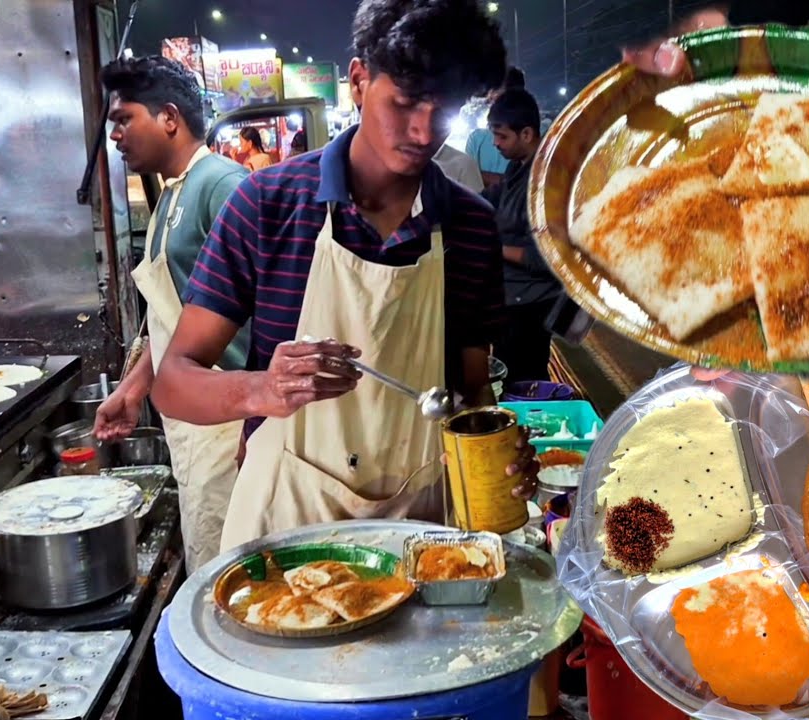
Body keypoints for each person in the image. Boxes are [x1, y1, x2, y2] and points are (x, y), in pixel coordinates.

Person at [150, 0, 539, 552]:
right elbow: (173, 383)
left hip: (423, 527)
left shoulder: (470, 226)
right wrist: (262, 389)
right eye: (405, 101)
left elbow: (471, 389)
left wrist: (495, 450)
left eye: (445, 109)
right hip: (287, 525)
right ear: (358, 80)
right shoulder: (267, 204)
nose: (423, 130)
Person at [91, 55, 250, 572]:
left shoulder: (222, 186)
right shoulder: (170, 195)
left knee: (232, 569)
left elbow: (276, 311)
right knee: (208, 557)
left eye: (124, 119)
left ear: (169, 118)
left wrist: (259, 425)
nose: (115, 135)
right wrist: (133, 390)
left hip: (229, 419)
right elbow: (176, 318)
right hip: (190, 421)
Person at [483, 88, 560, 383]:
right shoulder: (518, 166)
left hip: (531, 305)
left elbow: (549, 256)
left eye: (502, 136)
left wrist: (495, 248)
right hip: (512, 298)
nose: (495, 143)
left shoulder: (547, 179)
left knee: (524, 379)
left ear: (526, 134)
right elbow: (496, 197)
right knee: (509, 374)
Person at [465, 66, 525, 188]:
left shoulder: (538, 135)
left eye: (496, 90)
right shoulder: (476, 138)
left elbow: (533, 180)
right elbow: (466, 182)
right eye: (490, 91)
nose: (491, 96)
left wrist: (480, 176)